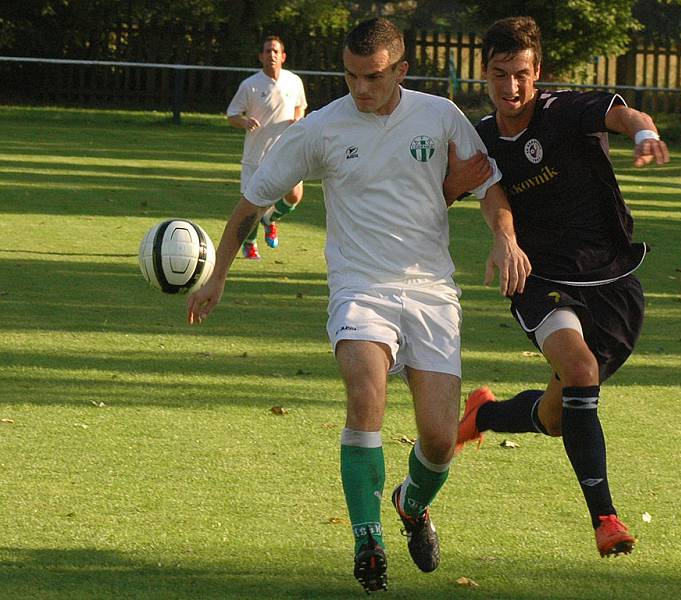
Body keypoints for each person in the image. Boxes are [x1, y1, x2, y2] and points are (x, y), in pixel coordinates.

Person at [187, 17, 530, 593]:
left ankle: (410, 504)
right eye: (350, 75)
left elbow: (486, 183)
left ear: (401, 69)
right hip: (359, 287)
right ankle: (366, 536)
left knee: (441, 438)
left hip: (431, 290)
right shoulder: (320, 129)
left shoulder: (440, 116)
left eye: (372, 76)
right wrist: (217, 274)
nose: (360, 88)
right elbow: (250, 203)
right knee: (364, 390)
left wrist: (505, 236)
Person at [444, 16, 670, 558]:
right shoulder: (480, 138)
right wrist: (503, 238)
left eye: (521, 74)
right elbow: (483, 192)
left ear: (537, 71)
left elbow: (623, 113)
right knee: (581, 370)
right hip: (537, 276)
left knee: (556, 413)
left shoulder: (564, 111)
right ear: (485, 73)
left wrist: (643, 131)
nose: (511, 87)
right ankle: (606, 519)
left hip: (612, 278)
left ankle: (487, 414)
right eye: (500, 74)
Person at [226, 35, 307, 259]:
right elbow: (232, 115)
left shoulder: (294, 81)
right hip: (255, 156)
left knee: (295, 195)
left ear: (283, 56)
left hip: (287, 152)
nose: (271, 55)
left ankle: (270, 219)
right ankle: (250, 244)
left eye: (275, 51)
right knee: (251, 205)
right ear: (260, 57)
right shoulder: (249, 85)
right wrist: (244, 121)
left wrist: (298, 119)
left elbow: (301, 107)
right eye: (267, 51)